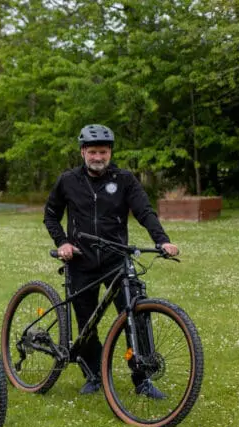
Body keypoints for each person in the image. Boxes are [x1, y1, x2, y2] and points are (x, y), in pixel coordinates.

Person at [43, 124, 179, 398]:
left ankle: (141, 379)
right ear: (83, 152)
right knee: (87, 323)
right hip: (81, 260)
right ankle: (93, 374)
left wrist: (162, 240)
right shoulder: (68, 180)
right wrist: (63, 242)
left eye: (103, 152)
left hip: (116, 259)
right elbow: (51, 215)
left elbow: (144, 211)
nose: (98, 157)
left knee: (136, 315)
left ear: (110, 153)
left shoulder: (125, 179)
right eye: (93, 151)